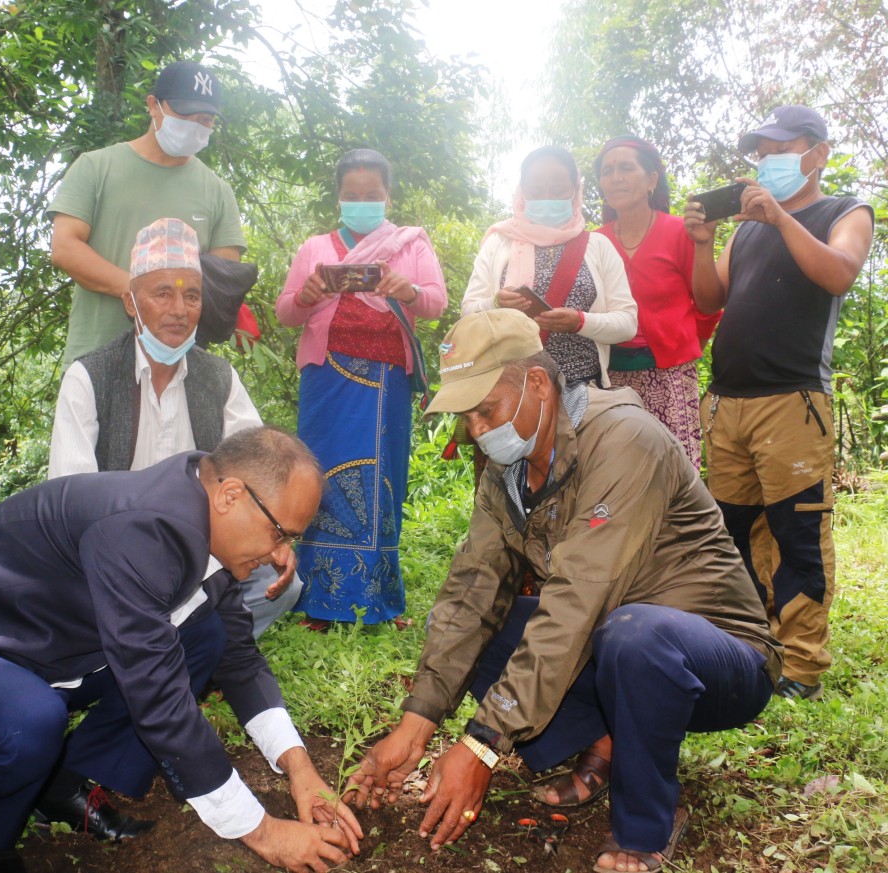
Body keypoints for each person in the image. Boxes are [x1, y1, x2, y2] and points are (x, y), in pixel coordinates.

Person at [345, 309, 781, 873]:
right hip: (614, 645)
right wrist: (417, 723)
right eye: (466, 417)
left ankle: (648, 824)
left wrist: (481, 744)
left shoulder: (627, 441)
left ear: (537, 384)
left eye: (486, 409)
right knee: (479, 626)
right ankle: (609, 739)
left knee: (634, 633)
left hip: (718, 658)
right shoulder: (507, 473)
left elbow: (578, 601)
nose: (477, 430)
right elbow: (471, 593)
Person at [0, 427, 363, 873]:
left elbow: (238, 658)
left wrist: (301, 770)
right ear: (231, 495)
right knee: (28, 719)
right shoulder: (144, 529)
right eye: (282, 532)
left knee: (205, 638)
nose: (281, 552)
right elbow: (157, 695)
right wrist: (263, 832)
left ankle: (58, 786)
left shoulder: (204, 526)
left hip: (44, 645)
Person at [685, 106, 874, 701]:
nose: (766, 160)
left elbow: (839, 272)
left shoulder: (844, 211)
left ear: (816, 152)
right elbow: (710, 297)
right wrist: (703, 242)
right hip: (728, 403)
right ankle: (750, 647)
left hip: (792, 403)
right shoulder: (745, 229)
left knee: (798, 533)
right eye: (760, 151)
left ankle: (802, 666)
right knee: (734, 530)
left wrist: (782, 219)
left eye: (779, 147)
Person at [49, 217, 301, 638]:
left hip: (195, 554)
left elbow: (259, 469)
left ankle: (179, 653)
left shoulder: (218, 378)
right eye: (162, 294)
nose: (179, 311)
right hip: (112, 554)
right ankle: (156, 652)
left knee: (281, 585)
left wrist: (273, 535)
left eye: (192, 296)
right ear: (131, 303)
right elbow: (71, 500)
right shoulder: (88, 378)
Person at [274, 149, 448, 630]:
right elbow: (286, 311)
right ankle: (318, 598)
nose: (362, 202)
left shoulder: (409, 245)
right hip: (326, 380)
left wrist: (405, 289)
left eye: (372, 195)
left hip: (386, 380)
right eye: (352, 195)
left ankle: (378, 598)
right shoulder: (316, 248)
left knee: (380, 480)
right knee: (320, 476)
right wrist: (306, 296)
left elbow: (436, 302)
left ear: (387, 196)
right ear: (339, 198)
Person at [47, 60, 245, 366]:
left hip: (182, 367)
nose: (195, 124)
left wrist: (164, 299)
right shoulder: (96, 167)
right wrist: (142, 293)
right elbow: (65, 248)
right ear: (153, 105)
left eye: (205, 119)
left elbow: (222, 279)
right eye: (184, 113)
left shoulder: (218, 191)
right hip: (97, 360)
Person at [592, 135, 719, 469]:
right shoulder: (593, 242)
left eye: (626, 168)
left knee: (672, 472)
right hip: (610, 377)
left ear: (651, 180)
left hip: (669, 376)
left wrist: (681, 352)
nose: (615, 177)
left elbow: (707, 307)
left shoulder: (682, 232)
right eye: (607, 171)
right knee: (618, 472)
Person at [463, 145, 637, 388]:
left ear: (575, 191)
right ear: (523, 192)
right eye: (536, 189)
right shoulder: (499, 242)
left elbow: (627, 323)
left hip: (583, 390)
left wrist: (580, 322)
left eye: (557, 189)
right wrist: (495, 304)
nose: (546, 197)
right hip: (510, 388)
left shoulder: (598, 246)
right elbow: (468, 311)